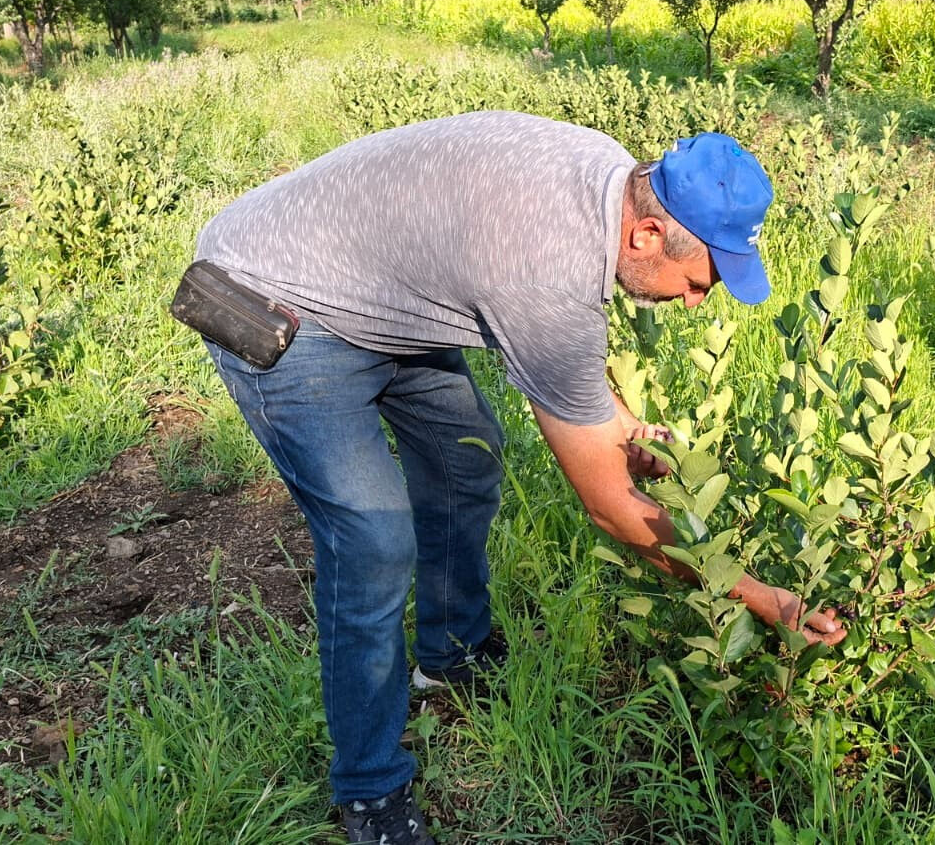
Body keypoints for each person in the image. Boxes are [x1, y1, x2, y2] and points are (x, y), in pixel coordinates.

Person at [183, 111, 846, 844]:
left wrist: (617, 426)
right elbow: (610, 509)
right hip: (274, 293)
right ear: (648, 235)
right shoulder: (548, 265)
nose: (695, 303)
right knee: (372, 540)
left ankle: (453, 655)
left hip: (381, 286)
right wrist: (762, 600)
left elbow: (563, 368)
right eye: (699, 282)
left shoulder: (611, 176)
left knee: (466, 459)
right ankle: (369, 789)